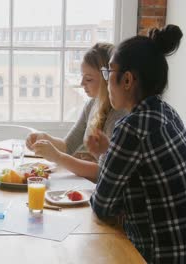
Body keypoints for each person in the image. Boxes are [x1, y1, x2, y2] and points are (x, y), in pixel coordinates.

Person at [87, 25, 186, 263]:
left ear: (127, 80)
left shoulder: (132, 127)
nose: (106, 81)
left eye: (109, 72)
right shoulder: (166, 112)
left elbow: (102, 206)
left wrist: (104, 157)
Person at [26, 43, 126, 182]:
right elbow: (68, 146)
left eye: (88, 79)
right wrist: (44, 137)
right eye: (82, 76)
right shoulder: (91, 105)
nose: (81, 83)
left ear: (107, 78)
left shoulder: (118, 114)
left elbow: (101, 171)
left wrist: (57, 157)